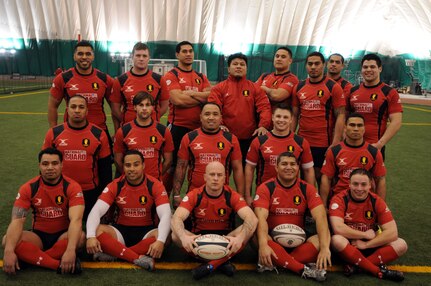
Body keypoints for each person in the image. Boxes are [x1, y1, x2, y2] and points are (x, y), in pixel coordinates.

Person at [2, 148, 84, 275]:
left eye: (55, 163)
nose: (50, 167)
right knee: (7, 240)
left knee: (80, 238)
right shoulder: (28, 188)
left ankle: (33, 259)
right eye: (45, 164)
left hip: (62, 235)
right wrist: (8, 252)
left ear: (62, 165)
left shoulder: (72, 187)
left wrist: (71, 250)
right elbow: (17, 221)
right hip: (38, 237)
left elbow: (76, 220)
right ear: (39, 165)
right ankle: (56, 265)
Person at [86, 150, 171, 271]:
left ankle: (116, 254)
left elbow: (166, 214)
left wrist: (161, 240)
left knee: (165, 236)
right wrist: (90, 237)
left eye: (136, 164)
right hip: (120, 231)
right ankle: (136, 257)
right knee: (96, 230)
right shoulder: (115, 185)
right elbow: (96, 211)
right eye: (128, 165)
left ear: (143, 165)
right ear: (123, 167)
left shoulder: (155, 185)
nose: (131, 169)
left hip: (146, 232)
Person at [171, 162, 258, 280]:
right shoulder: (195, 194)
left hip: (226, 240)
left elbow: (252, 218)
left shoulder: (231, 195)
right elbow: (176, 218)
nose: (216, 178)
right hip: (199, 240)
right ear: (205, 177)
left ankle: (210, 265)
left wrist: (240, 238)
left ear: (225, 178)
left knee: (249, 229)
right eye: (212, 174)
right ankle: (221, 262)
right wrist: (183, 237)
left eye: (219, 175)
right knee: (175, 235)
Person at [253, 152, 331, 281]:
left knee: (324, 235)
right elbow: (260, 219)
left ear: (298, 167)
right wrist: (263, 245)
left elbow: (321, 217)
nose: (289, 167)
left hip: (299, 241)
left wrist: (324, 248)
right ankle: (302, 269)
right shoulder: (266, 188)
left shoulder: (307, 189)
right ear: (276, 168)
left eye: (293, 164)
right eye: (284, 164)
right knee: (256, 232)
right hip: (272, 240)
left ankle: (276, 262)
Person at [329, 169, 407, 281]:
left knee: (401, 244)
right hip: (349, 245)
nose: (359, 188)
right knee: (337, 240)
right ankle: (377, 271)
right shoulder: (339, 199)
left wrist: (366, 245)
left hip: (369, 244)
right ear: (349, 184)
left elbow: (393, 232)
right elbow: (338, 229)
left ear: (370, 185)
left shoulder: (377, 201)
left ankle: (356, 267)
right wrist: (364, 235)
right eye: (355, 184)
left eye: (363, 184)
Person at [42, 95, 112, 220]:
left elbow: (105, 169)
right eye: (73, 107)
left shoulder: (99, 134)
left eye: (81, 107)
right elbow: (45, 166)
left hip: (90, 192)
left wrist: (104, 196)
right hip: (62, 190)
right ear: (67, 109)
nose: (77, 110)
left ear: (87, 111)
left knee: (93, 227)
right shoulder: (54, 133)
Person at [172, 102, 244, 207]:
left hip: (222, 196)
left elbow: (238, 168)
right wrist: (176, 195)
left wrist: (240, 197)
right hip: (194, 196)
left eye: (215, 114)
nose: (211, 117)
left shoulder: (231, 139)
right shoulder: (189, 138)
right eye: (207, 114)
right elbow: (181, 167)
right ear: (200, 117)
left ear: (221, 118)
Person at [162, 40, 212, 191]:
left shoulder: (201, 76)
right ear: (177, 54)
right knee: (172, 166)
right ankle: (165, 201)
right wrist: (200, 97)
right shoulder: (171, 75)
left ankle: (196, 202)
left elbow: (211, 96)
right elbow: (177, 100)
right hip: (177, 128)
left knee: (198, 167)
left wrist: (191, 94)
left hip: (199, 129)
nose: (188, 54)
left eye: (190, 51)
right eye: (184, 51)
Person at [291, 51, 346, 184]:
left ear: (323, 65)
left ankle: (325, 205)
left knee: (323, 179)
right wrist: (291, 137)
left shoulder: (333, 87)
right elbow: (294, 115)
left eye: (317, 64)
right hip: (303, 141)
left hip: (323, 143)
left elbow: (341, 115)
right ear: (306, 66)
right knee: (304, 179)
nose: (313, 67)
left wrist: (335, 142)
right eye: (310, 64)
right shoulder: (299, 87)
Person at [245, 104, 315, 206]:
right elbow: (249, 169)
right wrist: (247, 196)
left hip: (293, 195)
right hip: (265, 194)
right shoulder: (259, 141)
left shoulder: (301, 142)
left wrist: (311, 197)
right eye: (278, 116)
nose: (281, 120)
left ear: (291, 120)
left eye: (285, 117)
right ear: (272, 117)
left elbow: (308, 170)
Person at [48, 40, 121, 137]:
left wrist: (117, 132)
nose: (84, 57)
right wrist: (54, 133)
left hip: (99, 132)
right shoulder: (63, 78)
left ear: (93, 56)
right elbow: (52, 106)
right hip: (71, 132)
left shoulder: (104, 79)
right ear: (74, 56)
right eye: (80, 54)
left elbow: (115, 108)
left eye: (88, 54)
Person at [208, 53, 272, 163]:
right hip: (224, 137)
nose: (238, 66)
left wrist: (263, 126)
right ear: (228, 68)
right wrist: (220, 125)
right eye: (235, 64)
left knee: (245, 171)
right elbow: (213, 109)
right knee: (221, 171)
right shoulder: (219, 88)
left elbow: (265, 108)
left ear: (246, 69)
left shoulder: (255, 88)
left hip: (248, 139)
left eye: (242, 64)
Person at [320, 113, 386, 207]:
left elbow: (380, 179)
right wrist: (323, 205)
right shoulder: (334, 151)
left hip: (365, 201)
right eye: (352, 125)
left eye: (359, 125)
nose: (356, 129)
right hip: (339, 201)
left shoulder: (373, 152)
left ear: (364, 128)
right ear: (345, 128)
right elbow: (326, 178)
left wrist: (381, 207)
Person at [346, 53, 403, 158]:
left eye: (372, 67)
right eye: (365, 67)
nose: (368, 70)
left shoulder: (389, 92)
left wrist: (380, 144)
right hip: (351, 146)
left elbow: (396, 121)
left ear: (380, 69)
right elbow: (344, 118)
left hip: (374, 147)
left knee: (374, 175)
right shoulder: (353, 91)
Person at [113, 92, 174, 181]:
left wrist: (157, 175)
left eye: (148, 105)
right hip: (131, 183)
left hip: (154, 182)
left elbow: (168, 160)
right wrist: (131, 176)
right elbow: (118, 161)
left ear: (153, 107)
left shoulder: (163, 131)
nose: (144, 108)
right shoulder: (123, 131)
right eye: (141, 105)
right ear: (134, 107)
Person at [111, 42, 169, 125]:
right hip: (128, 129)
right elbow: (115, 109)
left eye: (144, 56)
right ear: (132, 57)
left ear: (149, 58)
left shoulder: (159, 80)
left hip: (153, 128)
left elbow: (164, 107)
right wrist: (127, 120)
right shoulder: (120, 80)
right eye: (138, 55)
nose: (141, 59)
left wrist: (150, 118)